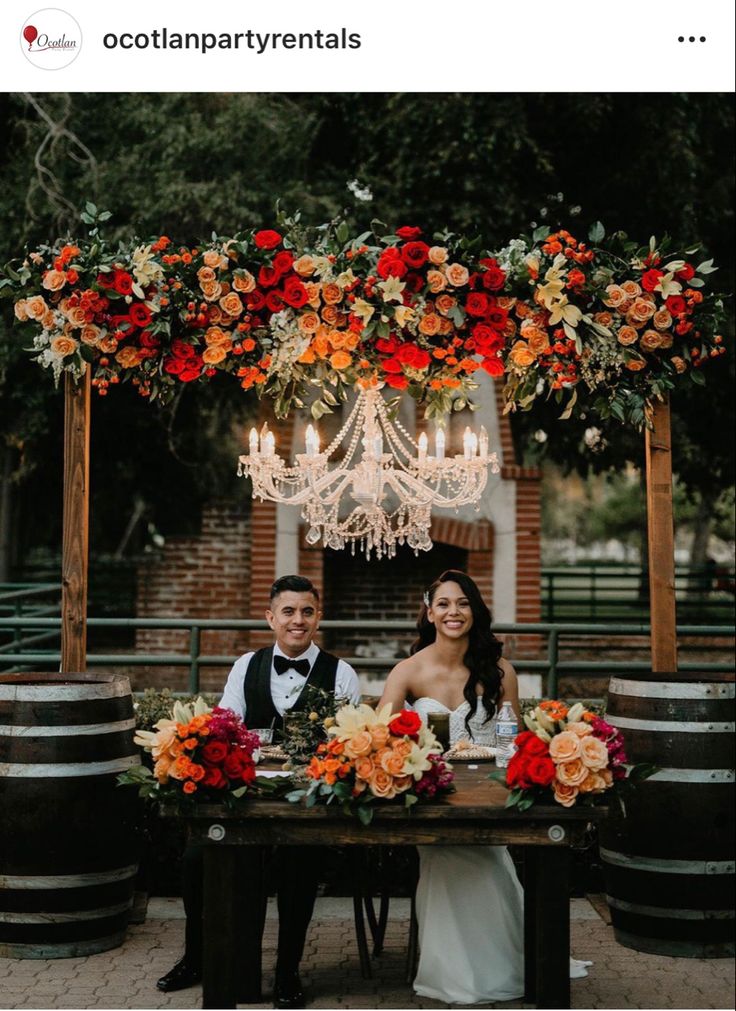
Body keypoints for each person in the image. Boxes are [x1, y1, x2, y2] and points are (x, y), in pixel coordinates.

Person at [379, 569, 591, 1005]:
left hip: (490, 793)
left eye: (463, 603)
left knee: (489, 856)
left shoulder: (500, 671)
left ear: (474, 610)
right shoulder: (408, 670)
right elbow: (378, 732)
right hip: (432, 795)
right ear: (430, 612)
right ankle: (453, 972)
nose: (453, 612)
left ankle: (507, 960)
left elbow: (517, 742)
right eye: (444, 604)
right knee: (446, 851)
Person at [157, 574, 360, 1010]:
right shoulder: (245, 665)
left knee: (300, 865)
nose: (298, 620)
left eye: (307, 611)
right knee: (197, 860)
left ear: (318, 616)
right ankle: (197, 959)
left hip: (307, 801)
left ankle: (287, 973)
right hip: (246, 797)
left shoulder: (341, 673)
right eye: (288, 611)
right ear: (271, 618)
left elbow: (345, 742)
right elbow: (225, 728)